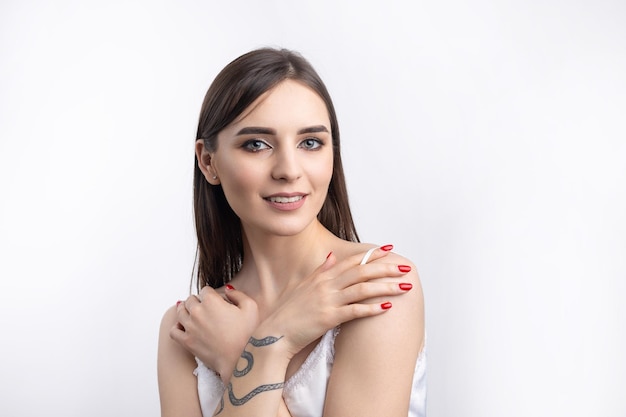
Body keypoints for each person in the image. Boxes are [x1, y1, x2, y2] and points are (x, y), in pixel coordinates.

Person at [157, 47, 426, 417]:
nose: (288, 169)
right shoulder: (189, 326)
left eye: (310, 143)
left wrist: (246, 352)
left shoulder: (375, 286)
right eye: (257, 144)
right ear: (208, 161)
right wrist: (272, 343)